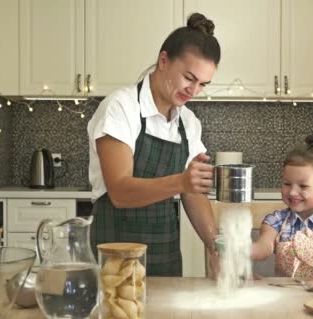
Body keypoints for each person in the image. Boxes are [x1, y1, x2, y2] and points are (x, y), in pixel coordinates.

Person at [87, 13, 221, 277]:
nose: (193, 91)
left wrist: (218, 248)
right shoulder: (121, 107)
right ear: (163, 61)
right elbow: (120, 192)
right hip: (116, 256)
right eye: (188, 77)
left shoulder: (189, 122)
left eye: (202, 84)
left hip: (165, 256)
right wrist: (182, 182)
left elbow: (193, 193)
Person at [250, 134, 313, 278]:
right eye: (287, 184)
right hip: (286, 296)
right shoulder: (276, 220)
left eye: (303, 186)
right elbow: (263, 248)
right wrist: (239, 250)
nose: (293, 192)